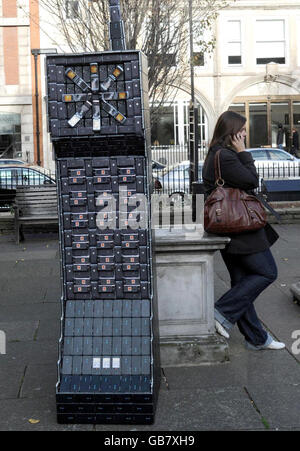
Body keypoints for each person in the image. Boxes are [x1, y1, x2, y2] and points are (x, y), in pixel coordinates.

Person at [202, 111, 285, 350]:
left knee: (241, 282)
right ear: (233, 133)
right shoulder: (226, 156)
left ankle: (257, 338)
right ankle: (220, 311)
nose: (246, 134)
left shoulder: (213, 155)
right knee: (267, 272)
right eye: (243, 130)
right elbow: (250, 180)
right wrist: (243, 152)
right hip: (241, 229)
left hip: (227, 227)